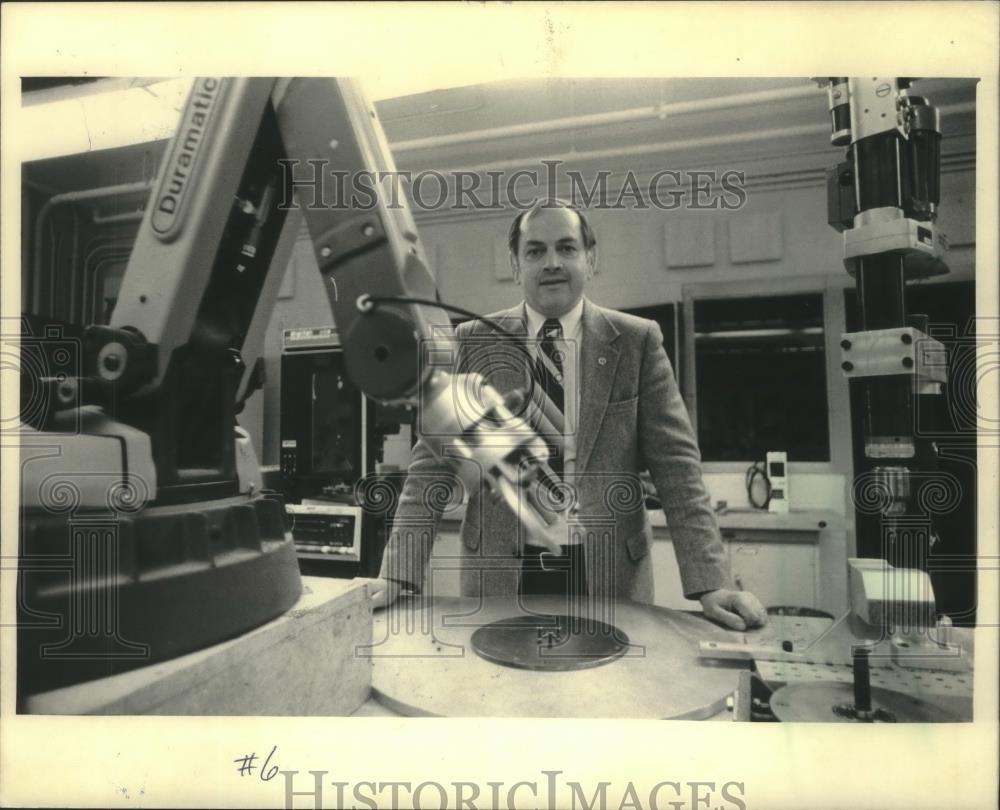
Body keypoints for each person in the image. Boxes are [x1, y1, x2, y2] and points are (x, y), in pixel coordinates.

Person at [369, 199, 767, 631]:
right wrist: (397, 573)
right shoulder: (472, 343)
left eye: (567, 248)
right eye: (535, 251)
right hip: (502, 575)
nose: (552, 263)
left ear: (590, 259)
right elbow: (430, 468)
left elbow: (678, 471)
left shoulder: (637, 342)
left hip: (608, 575)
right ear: (515, 264)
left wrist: (711, 582)